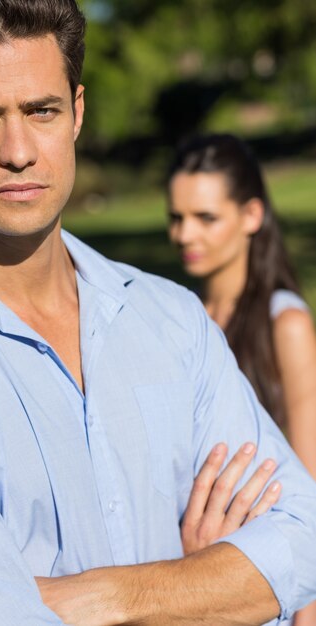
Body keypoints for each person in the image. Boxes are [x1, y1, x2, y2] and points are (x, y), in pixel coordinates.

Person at [0, 1, 316, 624]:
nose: (18, 152)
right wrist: (207, 590)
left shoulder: (174, 319)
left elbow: (302, 538)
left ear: (77, 112)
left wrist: (114, 597)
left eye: (41, 111)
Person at [167, 132, 316, 626]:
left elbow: (309, 487)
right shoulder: (180, 322)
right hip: (189, 569)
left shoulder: (285, 324)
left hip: (265, 584)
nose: (185, 235)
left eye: (205, 218)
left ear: (251, 216)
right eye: (177, 218)